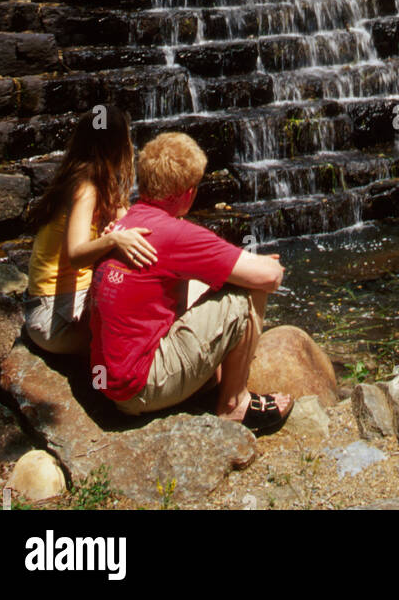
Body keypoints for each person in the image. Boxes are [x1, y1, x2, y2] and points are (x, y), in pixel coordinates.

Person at [89, 129, 291, 433]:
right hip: (140, 388)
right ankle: (234, 404)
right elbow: (270, 277)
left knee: (206, 280)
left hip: (108, 380)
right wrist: (259, 265)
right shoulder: (176, 234)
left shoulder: (127, 222)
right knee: (246, 291)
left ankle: (209, 382)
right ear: (187, 192)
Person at [24, 106, 157, 354]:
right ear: (116, 145)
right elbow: (75, 255)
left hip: (58, 308)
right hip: (54, 319)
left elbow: (130, 222)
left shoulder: (95, 179)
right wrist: (114, 240)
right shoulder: (85, 188)